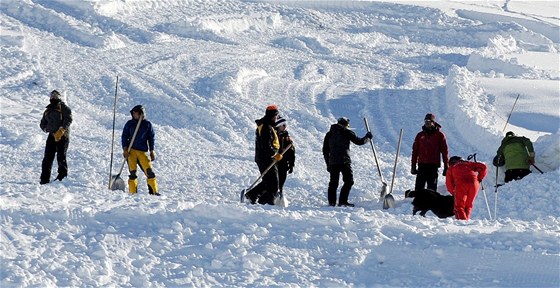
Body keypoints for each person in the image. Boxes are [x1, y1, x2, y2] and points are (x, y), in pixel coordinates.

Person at [322, 117, 372, 207]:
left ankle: (332, 203)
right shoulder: (346, 132)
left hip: (333, 162)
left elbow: (325, 150)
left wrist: (328, 163)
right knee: (349, 181)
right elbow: (359, 141)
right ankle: (342, 201)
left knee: (333, 183)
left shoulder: (329, 134)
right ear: (346, 124)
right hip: (344, 161)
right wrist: (367, 137)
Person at [245, 105, 283, 205]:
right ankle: (266, 202)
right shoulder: (266, 127)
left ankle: (252, 195)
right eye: (276, 116)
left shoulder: (267, 126)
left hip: (264, 157)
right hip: (266, 158)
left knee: (268, 181)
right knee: (274, 183)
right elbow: (266, 145)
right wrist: (274, 154)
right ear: (272, 116)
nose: (277, 118)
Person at [122, 105, 159, 196]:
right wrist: (125, 149)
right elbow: (124, 137)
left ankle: (154, 192)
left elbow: (151, 138)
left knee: (150, 172)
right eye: (133, 113)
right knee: (133, 173)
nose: (134, 114)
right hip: (131, 152)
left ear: (141, 113)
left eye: (135, 113)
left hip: (142, 152)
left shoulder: (147, 124)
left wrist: (151, 150)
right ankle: (132, 193)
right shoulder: (129, 124)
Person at [40, 90, 73, 184]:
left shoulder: (64, 108)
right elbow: (42, 123)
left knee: (61, 156)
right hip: (51, 136)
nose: (53, 97)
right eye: (52, 96)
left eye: (55, 96)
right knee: (47, 158)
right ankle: (44, 179)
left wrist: (62, 129)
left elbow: (69, 119)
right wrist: (46, 129)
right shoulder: (48, 110)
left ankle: (62, 177)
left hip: (63, 135)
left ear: (59, 97)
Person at [411, 113, 449, 192]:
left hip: (433, 166)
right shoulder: (420, 135)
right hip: (422, 166)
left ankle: (430, 204)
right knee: (418, 190)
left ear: (433, 122)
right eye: (425, 121)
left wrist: (446, 167)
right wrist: (413, 166)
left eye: (429, 121)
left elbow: (445, 152)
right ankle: (419, 204)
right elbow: (415, 152)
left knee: (431, 190)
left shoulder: (440, 135)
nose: (427, 123)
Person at [445, 156, 487, 220]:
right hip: (474, 184)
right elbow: (483, 167)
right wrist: (479, 178)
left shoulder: (451, 168)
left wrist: (454, 193)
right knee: (468, 205)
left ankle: (462, 223)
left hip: (461, 184)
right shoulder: (468, 163)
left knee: (459, 207)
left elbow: (449, 183)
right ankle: (466, 221)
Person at [275, 116, 296, 195]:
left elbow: (291, 151)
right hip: (275, 161)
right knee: (273, 181)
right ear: (278, 125)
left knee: (282, 179)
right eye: (283, 125)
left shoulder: (286, 136)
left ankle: (279, 193)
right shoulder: (274, 136)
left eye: (285, 125)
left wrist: (291, 164)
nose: (285, 126)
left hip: (283, 162)